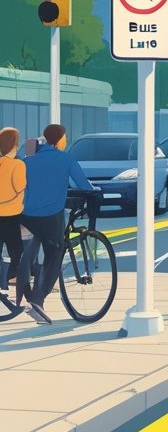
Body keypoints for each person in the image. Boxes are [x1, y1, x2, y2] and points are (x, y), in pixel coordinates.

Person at [17, 124, 98, 325]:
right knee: (54, 255)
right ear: (61, 139)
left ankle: (24, 289)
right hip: (51, 216)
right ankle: (37, 301)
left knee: (30, 251)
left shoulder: (28, 161)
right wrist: (95, 190)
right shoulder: (66, 159)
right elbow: (83, 184)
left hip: (27, 215)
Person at [0, 127, 27, 305]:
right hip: (12, 214)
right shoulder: (18, 165)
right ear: (14, 145)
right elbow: (20, 187)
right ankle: (13, 279)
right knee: (17, 251)